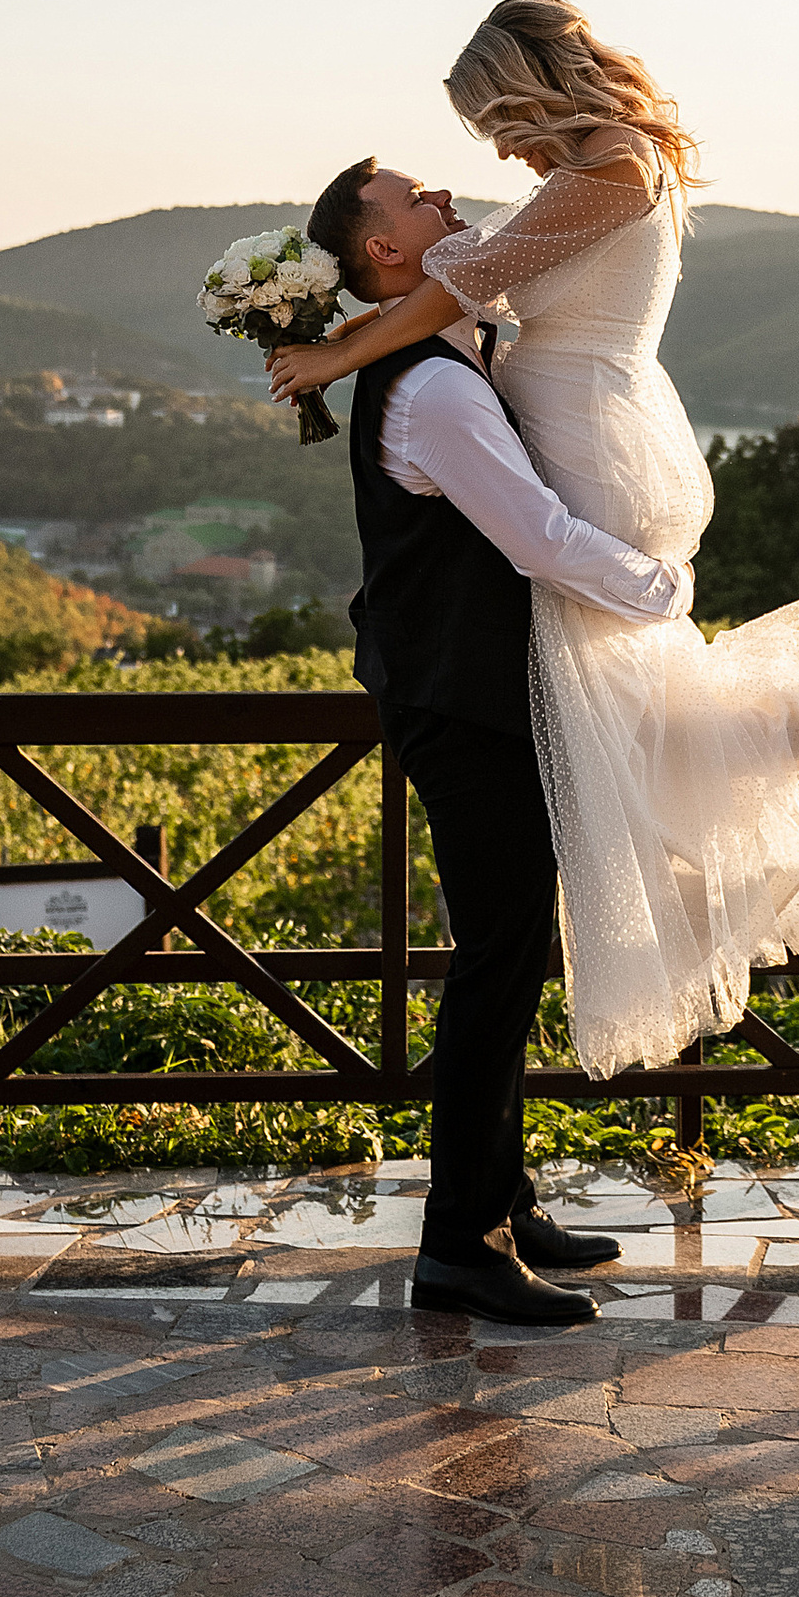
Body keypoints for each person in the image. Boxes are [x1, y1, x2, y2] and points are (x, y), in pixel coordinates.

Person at [277, 0, 799, 1089]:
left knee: (620, 698)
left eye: (496, 120)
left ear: (532, 85)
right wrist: (340, 333)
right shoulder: (582, 172)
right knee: (614, 710)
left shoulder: (614, 168)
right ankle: (783, 731)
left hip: (596, 432)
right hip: (577, 421)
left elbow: (460, 286)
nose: (498, 149)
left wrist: (332, 358)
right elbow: (457, 289)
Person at [301, 154, 698, 1327]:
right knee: (494, 965)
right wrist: (660, 588)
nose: (453, 207)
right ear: (385, 251)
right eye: (422, 202)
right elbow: (537, 539)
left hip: (470, 694)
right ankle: (458, 1249)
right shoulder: (431, 389)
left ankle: (502, 1201)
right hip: (465, 706)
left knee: (511, 954)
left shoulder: (436, 357)